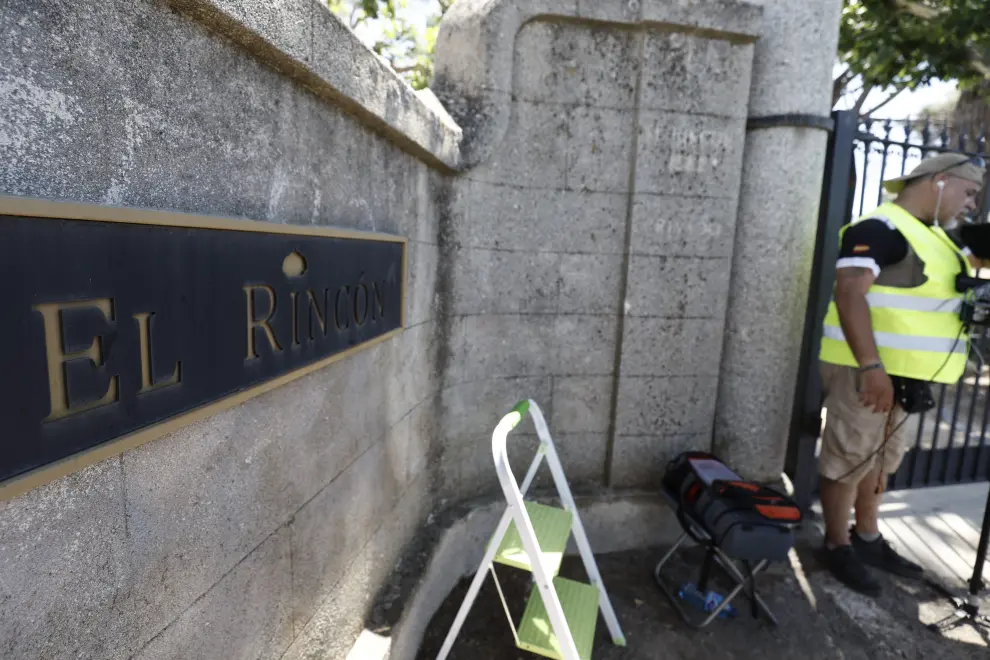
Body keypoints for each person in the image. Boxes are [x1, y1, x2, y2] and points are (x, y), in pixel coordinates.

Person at [818, 152, 987, 596]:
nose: (971, 204)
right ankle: (836, 545)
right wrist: (872, 367)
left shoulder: (938, 238)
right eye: (969, 193)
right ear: (940, 180)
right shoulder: (879, 228)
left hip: (907, 376)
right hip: (866, 370)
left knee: (882, 460)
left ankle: (867, 537)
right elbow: (850, 292)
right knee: (849, 458)